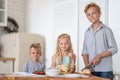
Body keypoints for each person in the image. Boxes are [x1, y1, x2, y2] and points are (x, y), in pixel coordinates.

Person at [82, 2, 118, 80]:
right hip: (90, 70)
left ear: (99, 13)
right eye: (88, 14)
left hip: (105, 71)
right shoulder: (87, 32)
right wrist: (87, 66)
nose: (91, 16)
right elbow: (85, 51)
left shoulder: (107, 30)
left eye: (93, 13)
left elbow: (114, 48)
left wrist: (99, 56)